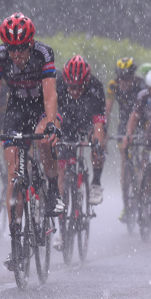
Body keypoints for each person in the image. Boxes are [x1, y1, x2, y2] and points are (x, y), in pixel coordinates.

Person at [0, 13, 64, 271]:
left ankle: (53, 188)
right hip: (16, 111)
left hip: (40, 108)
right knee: (14, 173)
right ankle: (16, 242)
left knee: (45, 141)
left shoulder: (44, 53)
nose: (15, 54)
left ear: (31, 43)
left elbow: (50, 92)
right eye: (11, 48)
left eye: (21, 48)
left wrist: (50, 122)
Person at [57, 55, 107, 205]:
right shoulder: (58, 85)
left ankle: (96, 183)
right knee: (61, 157)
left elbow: (99, 122)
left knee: (98, 145)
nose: (75, 91)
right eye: (71, 87)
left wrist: (97, 143)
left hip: (88, 121)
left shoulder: (96, 87)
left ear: (87, 82)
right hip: (66, 120)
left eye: (80, 87)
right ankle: (62, 203)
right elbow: (53, 115)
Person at [105, 57, 145, 212]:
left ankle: (144, 182)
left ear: (133, 76)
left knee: (144, 156)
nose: (124, 82)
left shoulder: (141, 85)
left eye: (127, 78)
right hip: (124, 123)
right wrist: (104, 131)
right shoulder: (113, 86)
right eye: (121, 78)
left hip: (142, 120)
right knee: (124, 158)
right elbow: (107, 111)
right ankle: (126, 203)